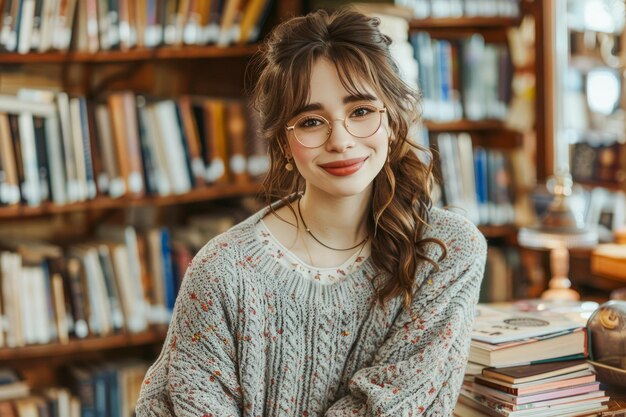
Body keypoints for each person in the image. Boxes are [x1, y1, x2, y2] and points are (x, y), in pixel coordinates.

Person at [136, 7, 486, 417]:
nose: (340, 140)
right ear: (284, 145)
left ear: (392, 122)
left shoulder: (445, 252)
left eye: (360, 111)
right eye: (311, 121)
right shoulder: (222, 273)